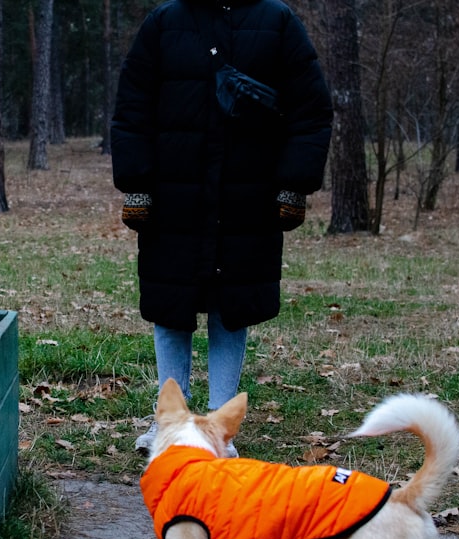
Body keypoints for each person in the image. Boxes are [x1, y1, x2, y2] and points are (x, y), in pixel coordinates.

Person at [111, 0, 333, 455]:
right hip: (175, 198)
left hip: (246, 199)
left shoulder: (278, 22)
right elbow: (133, 106)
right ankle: (170, 423)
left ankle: (219, 430)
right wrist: (136, 184)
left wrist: (294, 184)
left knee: (230, 309)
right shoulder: (164, 23)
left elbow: (310, 109)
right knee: (171, 306)